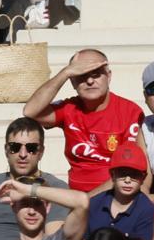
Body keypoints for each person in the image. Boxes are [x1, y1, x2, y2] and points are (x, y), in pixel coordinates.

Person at [22, 49, 144, 192]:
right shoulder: (69, 108)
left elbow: (128, 171)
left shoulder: (130, 112)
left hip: (116, 195)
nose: (90, 81)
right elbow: (30, 111)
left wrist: (86, 201)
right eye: (81, 75)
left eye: (96, 74)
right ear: (72, 82)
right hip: (76, 194)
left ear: (109, 76)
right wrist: (65, 73)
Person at [0, 118, 70, 240]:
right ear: (6, 150)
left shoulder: (54, 189)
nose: (23, 154)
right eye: (15, 147)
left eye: (31, 148)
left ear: (41, 152)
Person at [85, 142, 154, 240]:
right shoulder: (94, 204)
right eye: (122, 173)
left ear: (143, 178)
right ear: (112, 175)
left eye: (134, 175)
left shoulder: (147, 209)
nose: (127, 180)